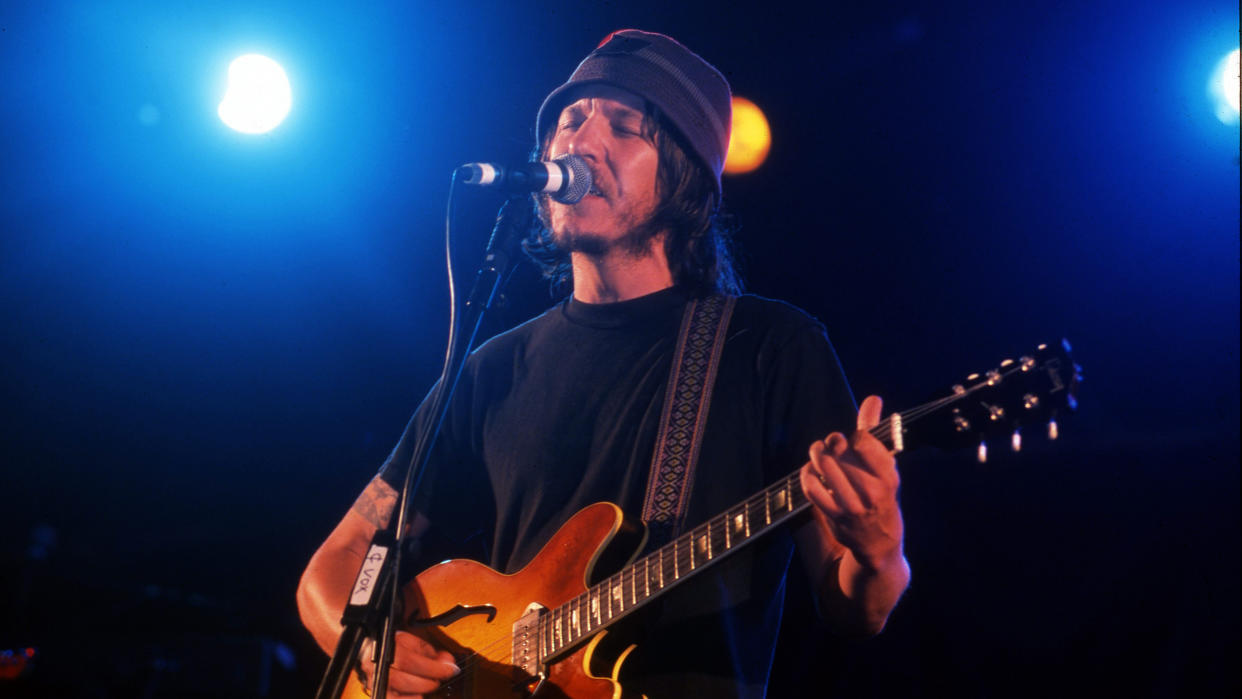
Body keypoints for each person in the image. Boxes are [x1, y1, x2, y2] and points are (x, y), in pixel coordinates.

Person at [297, 29, 910, 698]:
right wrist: (361, 645)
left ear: (681, 176)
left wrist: (879, 550)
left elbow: (858, 608)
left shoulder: (771, 347)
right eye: (569, 121)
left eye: (623, 126)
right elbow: (332, 569)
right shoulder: (490, 370)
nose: (579, 142)